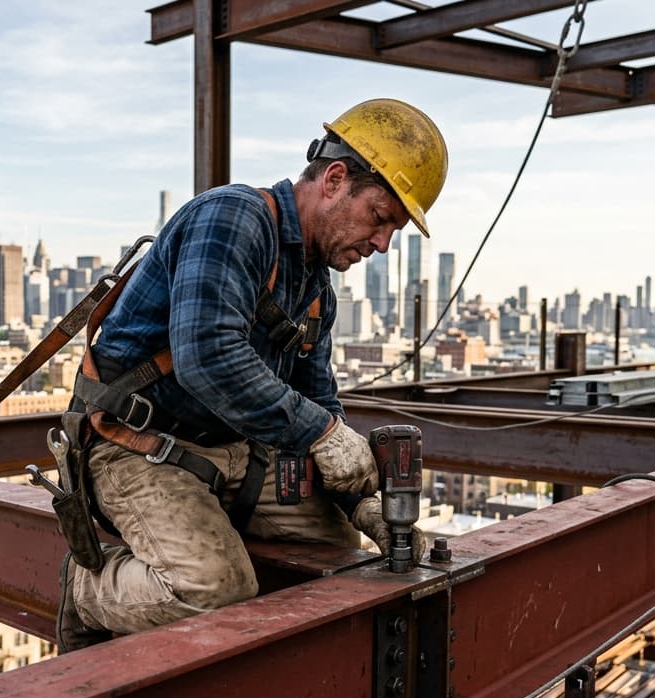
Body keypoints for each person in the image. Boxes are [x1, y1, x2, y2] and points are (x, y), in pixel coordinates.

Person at [58, 98, 449, 653]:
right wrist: (323, 433)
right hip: (137, 444)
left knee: (341, 557)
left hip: (236, 450)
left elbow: (317, 399)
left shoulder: (315, 289)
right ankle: (87, 587)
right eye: (380, 217)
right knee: (212, 589)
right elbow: (207, 357)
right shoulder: (233, 217)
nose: (382, 244)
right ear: (335, 180)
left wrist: (361, 500)